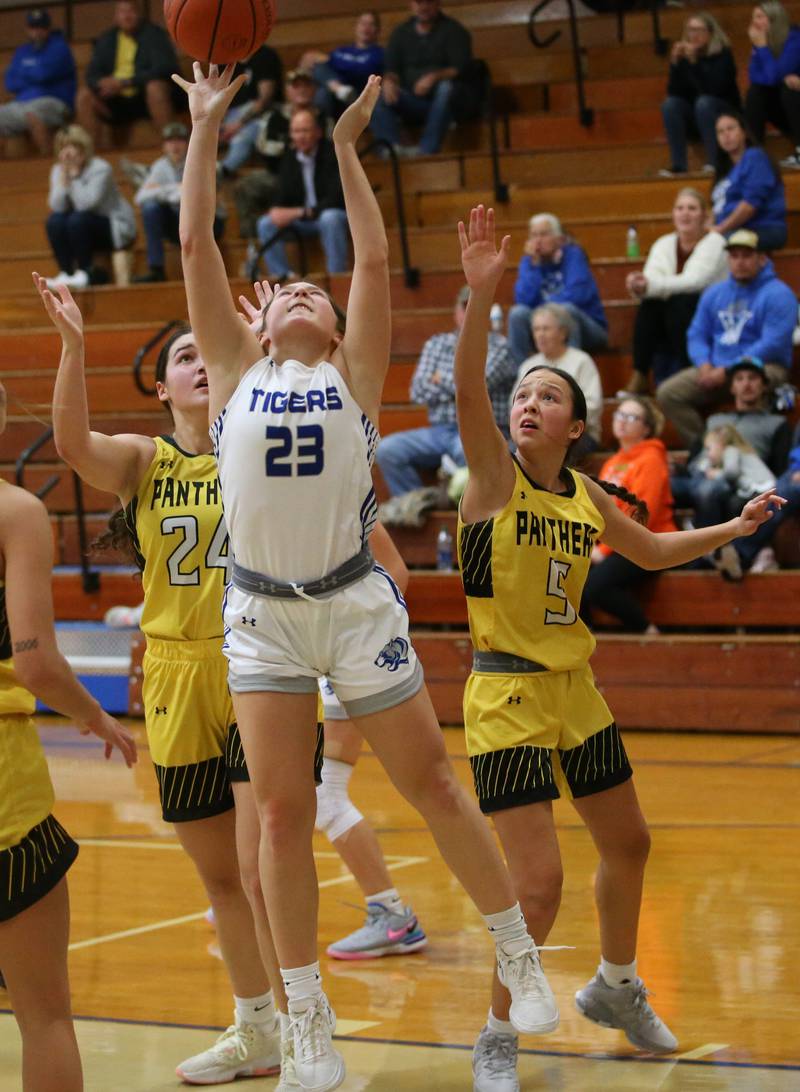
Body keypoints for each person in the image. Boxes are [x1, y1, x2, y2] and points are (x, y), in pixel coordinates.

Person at [177, 64, 561, 1092]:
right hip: (260, 615)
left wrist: (346, 150)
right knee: (278, 819)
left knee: (433, 783)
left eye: (319, 289)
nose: (304, 288)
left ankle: (517, 952)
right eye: (286, 289)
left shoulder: (355, 377)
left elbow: (376, 255)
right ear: (256, 328)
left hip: (353, 604)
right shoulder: (236, 371)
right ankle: (306, 1025)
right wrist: (207, 128)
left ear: (341, 330)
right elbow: (194, 245)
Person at [452, 203, 783, 1091]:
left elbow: (655, 551)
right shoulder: (491, 480)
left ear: (575, 423)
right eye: (521, 393)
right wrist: (483, 297)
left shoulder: (590, 497)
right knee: (538, 883)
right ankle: (495, 1036)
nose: (527, 403)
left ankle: (617, 985)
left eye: (545, 395)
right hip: (506, 697)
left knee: (630, 843)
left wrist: (735, 524)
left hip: (575, 691)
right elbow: (466, 398)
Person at [33, 279, 303, 1089]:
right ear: (163, 387)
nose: (197, 364)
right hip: (176, 675)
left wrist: (262, 352)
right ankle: (256, 1026)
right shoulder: (146, 461)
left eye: (206, 354)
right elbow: (73, 444)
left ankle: (303, 1023)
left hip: (259, 661)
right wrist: (75, 347)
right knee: (222, 876)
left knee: (262, 866)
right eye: (182, 357)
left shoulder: (261, 442)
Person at [0, 376, 136, 1092]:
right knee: (45, 1017)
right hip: (4, 794)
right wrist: (96, 715)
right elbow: (37, 663)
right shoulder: (15, 509)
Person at [657, 229, 796, 447]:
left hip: (763, 367)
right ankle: (705, 450)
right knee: (668, 393)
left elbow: (772, 342)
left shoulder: (779, 294)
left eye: (746, 255)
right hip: (714, 369)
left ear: (761, 259)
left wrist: (730, 369)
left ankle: (756, 449)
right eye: (734, 256)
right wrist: (703, 365)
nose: (740, 262)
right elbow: (696, 333)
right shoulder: (714, 293)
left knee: (749, 379)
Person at [376, 284, 516, 496]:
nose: (469, 312)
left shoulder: (500, 346)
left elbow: (476, 384)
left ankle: (467, 515)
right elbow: (418, 390)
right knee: (388, 450)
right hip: (439, 431)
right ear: (456, 311)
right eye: (465, 306)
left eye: (476, 307)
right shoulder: (436, 343)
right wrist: (461, 385)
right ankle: (417, 506)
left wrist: (441, 379)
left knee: (468, 452)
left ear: (486, 312)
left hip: (482, 431)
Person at [582, 397, 678, 633]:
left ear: (646, 428)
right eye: (619, 415)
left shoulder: (652, 458)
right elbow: (598, 507)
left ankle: (647, 630)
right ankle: (581, 642)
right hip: (615, 542)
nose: (622, 421)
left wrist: (603, 551)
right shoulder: (613, 462)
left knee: (595, 587)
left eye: (631, 417)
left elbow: (644, 513)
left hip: (647, 541)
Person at [624, 188, 728, 393]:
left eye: (692, 208)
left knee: (680, 301)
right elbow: (651, 281)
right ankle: (640, 373)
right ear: (673, 214)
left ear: (704, 216)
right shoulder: (663, 243)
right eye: (680, 208)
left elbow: (695, 281)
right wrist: (639, 284)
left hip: (710, 312)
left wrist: (649, 285)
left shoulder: (716, 242)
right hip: (670, 315)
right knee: (651, 305)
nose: (685, 213)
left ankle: (687, 368)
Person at [253, 107, 349, 281]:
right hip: (304, 219)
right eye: (296, 131)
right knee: (266, 223)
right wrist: (277, 211)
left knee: (330, 218)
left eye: (305, 130)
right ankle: (284, 278)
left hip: (329, 215)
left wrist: (300, 212)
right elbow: (282, 195)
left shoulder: (332, 154)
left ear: (318, 132)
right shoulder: (290, 157)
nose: (301, 136)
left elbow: (336, 199)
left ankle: (336, 278)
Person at [369, 0, 472, 156]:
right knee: (378, 92)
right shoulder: (400, 32)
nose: (423, 7)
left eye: (428, 2)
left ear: (438, 4)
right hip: (410, 99)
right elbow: (392, 68)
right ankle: (390, 151)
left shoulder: (454, 30)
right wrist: (389, 81)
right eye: (418, 2)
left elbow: (460, 67)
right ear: (411, 4)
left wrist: (434, 77)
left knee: (446, 87)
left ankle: (426, 150)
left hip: (445, 102)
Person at [507, 213, 608, 366]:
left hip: (589, 328)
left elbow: (578, 295)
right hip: (546, 325)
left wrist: (544, 311)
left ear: (559, 238)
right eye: (534, 235)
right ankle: (521, 378)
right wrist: (534, 267)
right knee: (517, 314)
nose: (538, 240)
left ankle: (570, 377)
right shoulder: (529, 262)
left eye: (544, 234)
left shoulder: (574, 254)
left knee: (566, 310)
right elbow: (523, 300)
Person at [45, 123, 136, 290]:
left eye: (72, 146)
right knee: (54, 221)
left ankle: (86, 272)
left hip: (113, 226)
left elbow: (85, 204)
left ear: (83, 148)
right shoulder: (58, 170)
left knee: (77, 220)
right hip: (80, 227)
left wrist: (74, 175)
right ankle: (66, 272)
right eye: (63, 147)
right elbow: (56, 206)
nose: (67, 153)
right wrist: (64, 178)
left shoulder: (100, 168)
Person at [133, 122, 225, 283]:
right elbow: (140, 197)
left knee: (193, 210)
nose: (175, 146)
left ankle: (203, 273)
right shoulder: (160, 166)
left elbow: (195, 197)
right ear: (164, 146)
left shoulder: (204, 161)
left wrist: (161, 189)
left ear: (189, 143)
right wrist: (176, 189)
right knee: (150, 209)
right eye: (170, 141)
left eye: (179, 140)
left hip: (209, 222)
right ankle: (157, 269)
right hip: (178, 221)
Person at [75, 0, 178, 142]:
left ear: (139, 14)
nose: (127, 16)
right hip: (116, 100)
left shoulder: (154, 35)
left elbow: (164, 68)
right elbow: (91, 74)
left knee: (155, 87)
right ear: (115, 17)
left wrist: (126, 83)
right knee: (84, 95)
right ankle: (89, 157)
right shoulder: (106, 39)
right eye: (122, 12)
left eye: (131, 11)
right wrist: (102, 84)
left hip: (145, 98)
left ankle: (172, 144)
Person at [660, 11, 740, 176]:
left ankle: (714, 163)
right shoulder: (684, 56)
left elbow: (714, 90)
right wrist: (675, 65)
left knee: (704, 102)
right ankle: (679, 166)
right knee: (670, 105)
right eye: (690, 30)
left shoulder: (723, 55)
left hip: (722, 113)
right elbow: (674, 93)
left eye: (699, 30)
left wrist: (695, 63)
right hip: (696, 116)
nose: (694, 35)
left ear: (710, 33)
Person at [515, 302, 603, 453]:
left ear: (563, 333)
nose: (540, 334)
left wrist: (555, 425)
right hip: (534, 431)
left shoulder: (581, 360)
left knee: (548, 450)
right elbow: (516, 403)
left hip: (577, 434)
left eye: (546, 329)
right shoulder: (527, 365)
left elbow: (593, 406)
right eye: (536, 329)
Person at [0, 8, 76, 156]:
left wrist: (24, 72)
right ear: (28, 29)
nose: (37, 31)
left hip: (55, 103)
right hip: (21, 103)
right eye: (33, 27)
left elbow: (44, 74)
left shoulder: (59, 48)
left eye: (42, 27)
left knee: (33, 114)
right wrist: (34, 72)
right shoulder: (21, 51)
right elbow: (10, 83)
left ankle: (48, 162)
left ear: (48, 28)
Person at [710, 110, 786, 249]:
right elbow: (716, 208)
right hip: (732, 230)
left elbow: (749, 206)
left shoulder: (755, 157)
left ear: (744, 132)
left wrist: (720, 229)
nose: (726, 135)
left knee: (714, 245)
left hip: (761, 228)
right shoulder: (725, 170)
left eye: (730, 128)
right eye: (720, 132)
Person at [744, 1, 800, 169]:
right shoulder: (761, 45)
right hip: (782, 110)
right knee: (755, 93)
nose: (754, 22)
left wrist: (761, 48)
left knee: (789, 87)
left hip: (795, 101)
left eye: (760, 17)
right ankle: (754, 154)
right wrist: (761, 48)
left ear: (775, 19)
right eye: (753, 18)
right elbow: (756, 77)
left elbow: (778, 74)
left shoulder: (794, 38)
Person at [302, 10, 385, 120]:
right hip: (336, 98)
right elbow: (325, 67)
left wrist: (328, 61)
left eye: (371, 24)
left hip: (359, 98)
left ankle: (340, 90)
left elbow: (361, 70)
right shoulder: (341, 50)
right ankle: (339, 89)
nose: (366, 28)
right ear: (356, 27)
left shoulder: (379, 53)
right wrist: (312, 57)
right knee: (320, 78)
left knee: (323, 84)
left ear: (377, 30)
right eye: (363, 23)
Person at [217, 44, 283, 180]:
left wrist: (238, 124)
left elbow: (264, 100)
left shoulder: (265, 55)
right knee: (205, 131)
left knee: (244, 135)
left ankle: (223, 170)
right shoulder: (225, 58)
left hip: (261, 113)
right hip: (232, 113)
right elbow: (221, 97)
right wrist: (220, 124)